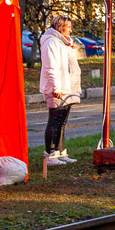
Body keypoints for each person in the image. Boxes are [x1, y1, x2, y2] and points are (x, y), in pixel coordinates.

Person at [40, 15, 82, 165]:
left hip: (66, 86)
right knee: (55, 120)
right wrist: (56, 87)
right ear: (60, 28)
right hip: (57, 88)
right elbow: (51, 67)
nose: (70, 30)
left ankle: (59, 151)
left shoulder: (63, 42)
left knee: (62, 121)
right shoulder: (51, 42)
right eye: (68, 27)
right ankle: (50, 153)